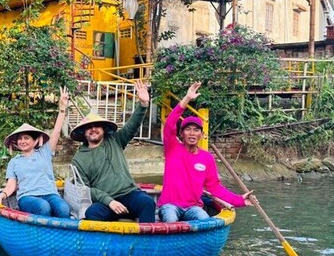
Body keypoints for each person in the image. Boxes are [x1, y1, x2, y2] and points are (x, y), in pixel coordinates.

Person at [158, 82, 252, 222]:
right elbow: (170, 123)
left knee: (204, 219)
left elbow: (215, 188)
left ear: (201, 135)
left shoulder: (206, 158)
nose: (192, 133)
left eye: (196, 130)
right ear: (181, 133)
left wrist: (239, 200)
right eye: (188, 129)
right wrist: (187, 99)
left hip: (193, 207)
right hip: (170, 206)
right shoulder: (173, 148)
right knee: (171, 219)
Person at [70, 79, 155, 223]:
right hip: (106, 201)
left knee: (148, 203)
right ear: (83, 133)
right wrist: (109, 201)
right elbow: (84, 189)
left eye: (97, 126)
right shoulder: (78, 159)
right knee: (92, 213)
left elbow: (132, 125)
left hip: (130, 194)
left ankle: (147, 244)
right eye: (89, 127)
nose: (93, 129)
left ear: (103, 129)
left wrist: (143, 104)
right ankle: (108, 244)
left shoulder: (115, 140)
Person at [0, 88, 71, 218]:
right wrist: (1, 195)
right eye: (20, 139)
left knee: (64, 208)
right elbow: (11, 186)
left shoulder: (44, 152)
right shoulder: (14, 162)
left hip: (50, 194)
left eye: (26, 138)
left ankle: (61, 236)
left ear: (35, 141)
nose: (22, 141)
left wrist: (62, 108)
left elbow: (56, 132)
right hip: (27, 197)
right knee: (43, 207)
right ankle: (41, 236)